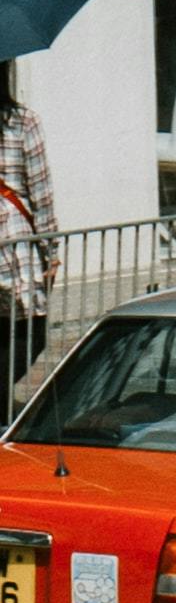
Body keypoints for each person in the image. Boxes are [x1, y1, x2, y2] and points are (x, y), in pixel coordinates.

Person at [0, 62, 47, 395]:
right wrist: (52, 249)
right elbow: (41, 191)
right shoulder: (22, 121)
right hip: (14, 244)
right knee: (29, 331)